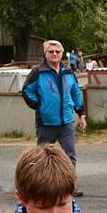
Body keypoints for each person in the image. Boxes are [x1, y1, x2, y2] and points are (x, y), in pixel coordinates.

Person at [22, 39, 86, 196]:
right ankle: (40, 188)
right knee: (43, 157)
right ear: (45, 53)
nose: (55, 54)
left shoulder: (68, 73)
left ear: (62, 53)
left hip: (66, 122)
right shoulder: (38, 72)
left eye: (57, 51)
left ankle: (69, 188)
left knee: (69, 156)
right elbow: (26, 91)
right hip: (46, 123)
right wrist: (39, 105)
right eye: (51, 52)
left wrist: (81, 114)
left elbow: (76, 94)